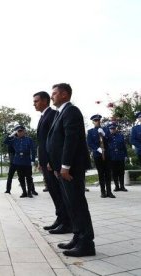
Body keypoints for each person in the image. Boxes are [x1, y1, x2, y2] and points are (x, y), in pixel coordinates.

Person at [46, 83, 95, 257]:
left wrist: (65, 166)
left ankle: (86, 242)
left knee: (77, 203)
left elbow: (70, 140)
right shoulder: (61, 113)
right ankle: (78, 236)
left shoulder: (72, 111)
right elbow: (56, 141)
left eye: (55, 94)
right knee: (70, 204)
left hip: (71, 168)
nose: (52, 97)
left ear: (65, 95)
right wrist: (53, 162)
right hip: (63, 168)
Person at [33, 91, 71, 234]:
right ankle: (60, 218)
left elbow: (54, 142)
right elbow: (42, 142)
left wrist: (50, 161)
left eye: (36, 101)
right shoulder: (44, 116)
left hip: (51, 162)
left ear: (44, 101)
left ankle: (66, 222)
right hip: (45, 161)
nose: (34, 104)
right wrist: (41, 161)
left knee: (58, 192)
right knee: (53, 192)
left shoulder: (52, 115)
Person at [4, 125, 36, 198]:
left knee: (29, 177)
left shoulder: (29, 139)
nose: (20, 132)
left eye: (21, 131)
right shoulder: (14, 140)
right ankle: (24, 192)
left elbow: (33, 150)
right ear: (16, 132)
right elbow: (5, 142)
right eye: (18, 131)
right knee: (21, 178)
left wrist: (33, 160)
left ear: (24, 131)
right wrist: (11, 135)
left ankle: (30, 192)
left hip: (27, 160)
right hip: (17, 161)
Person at [87, 114, 115, 198]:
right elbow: (89, 143)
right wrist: (97, 149)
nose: (97, 122)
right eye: (95, 121)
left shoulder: (106, 129)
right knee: (101, 173)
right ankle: (103, 192)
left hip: (107, 154)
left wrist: (104, 134)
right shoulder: (90, 131)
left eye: (98, 120)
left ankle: (109, 192)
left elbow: (110, 140)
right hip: (97, 155)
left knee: (108, 173)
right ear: (93, 122)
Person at [107, 122, 128, 192]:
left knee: (121, 172)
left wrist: (126, 155)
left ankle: (122, 186)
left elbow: (124, 147)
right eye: (111, 129)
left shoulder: (120, 136)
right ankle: (117, 186)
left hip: (120, 156)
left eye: (114, 128)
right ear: (109, 129)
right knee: (114, 172)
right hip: (112, 157)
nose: (112, 130)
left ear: (116, 129)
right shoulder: (107, 137)